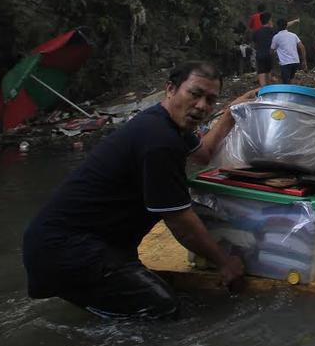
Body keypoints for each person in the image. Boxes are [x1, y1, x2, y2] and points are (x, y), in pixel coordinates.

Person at [22, 62, 257, 319]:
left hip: (83, 245)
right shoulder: (159, 140)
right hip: (68, 250)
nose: (201, 106)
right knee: (164, 310)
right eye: (195, 94)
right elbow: (180, 222)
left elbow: (203, 154)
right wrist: (225, 263)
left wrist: (230, 114)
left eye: (210, 100)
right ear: (170, 89)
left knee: (144, 300)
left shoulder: (169, 124)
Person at [270, 18, 306, 85]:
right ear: (286, 26)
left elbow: (271, 50)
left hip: (285, 63)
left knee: (286, 82)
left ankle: (288, 94)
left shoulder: (276, 37)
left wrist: (273, 59)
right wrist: (304, 61)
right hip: (295, 61)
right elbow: (302, 47)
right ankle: (293, 92)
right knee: (291, 79)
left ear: (277, 27)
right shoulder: (293, 35)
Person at [252, 12, 275, 87]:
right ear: (269, 21)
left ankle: (263, 92)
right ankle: (270, 93)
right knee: (268, 76)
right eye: (271, 20)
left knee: (261, 73)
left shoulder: (256, 32)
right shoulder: (272, 31)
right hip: (269, 55)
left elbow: (255, 43)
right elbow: (284, 26)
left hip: (260, 56)